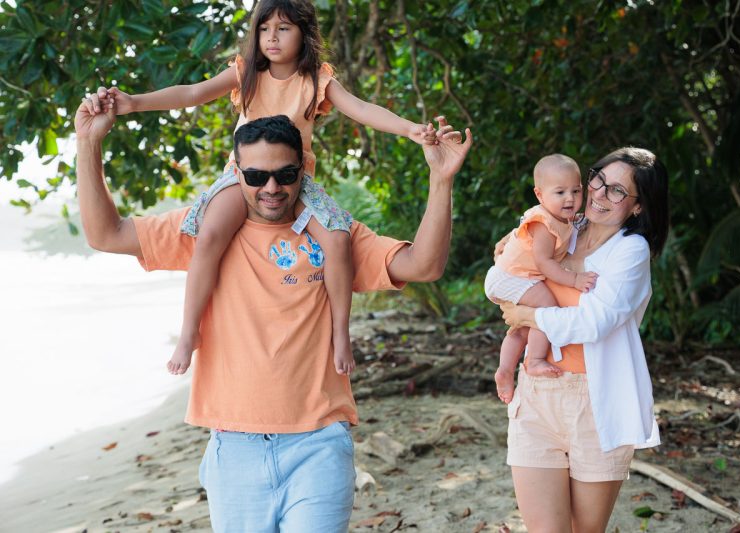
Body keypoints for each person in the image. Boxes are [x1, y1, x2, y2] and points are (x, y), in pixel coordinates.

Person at [75, 93, 472, 530]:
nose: (271, 188)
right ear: (235, 173)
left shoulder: (336, 233)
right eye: (256, 175)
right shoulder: (203, 228)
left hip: (318, 443)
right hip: (235, 448)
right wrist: (88, 143)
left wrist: (441, 180)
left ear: (302, 169)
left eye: (284, 174)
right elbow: (106, 234)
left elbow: (424, 265)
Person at [85, 0, 436, 377]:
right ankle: (189, 333)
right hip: (244, 176)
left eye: (283, 28)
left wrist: (410, 129)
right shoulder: (245, 72)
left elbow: (363, 109)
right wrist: (133, 103)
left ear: (304, 34)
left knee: (336, 238)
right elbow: (190, 94)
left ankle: (340, 334)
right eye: (264, 28)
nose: (272, 37)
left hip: (293, 180)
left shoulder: (316, 79)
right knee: (210, 233)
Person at [498, 147, 669, 532]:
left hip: (595, 402)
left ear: (639, 207)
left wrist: (528, 316)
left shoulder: (630, 251)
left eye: (617, 192)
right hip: (537, 396)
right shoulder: (563, 230)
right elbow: (509, 270)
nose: (598, 194)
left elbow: (596, 322)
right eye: (598, 180)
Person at [484, 154, 598, 403]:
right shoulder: (544, 224)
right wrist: (575, 280)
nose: (570, 198)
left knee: (524, 327)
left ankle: (504, 370)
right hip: (511, 277)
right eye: (560, 192)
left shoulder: (563, 218)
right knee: (546, 309)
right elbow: (544, 263)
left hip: (513, 276)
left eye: (575, 191)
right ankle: (534, 360)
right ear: (539, 195)